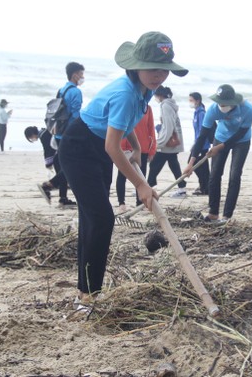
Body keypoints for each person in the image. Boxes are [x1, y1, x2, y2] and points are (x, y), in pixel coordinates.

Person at [59, 31, 188, 304]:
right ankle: (89, 295)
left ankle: (85, 290)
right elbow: (111, 146)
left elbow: (122, 125)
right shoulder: (126, 93)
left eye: (164, 70)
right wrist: (141, 184)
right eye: (152, 69)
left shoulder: (144, 89)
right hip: (80, 147)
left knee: (92, 218)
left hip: (97, 146)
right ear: (137, 65)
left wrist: (137, 147)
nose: (158, 76)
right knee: (102, 218)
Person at [182, 84, 252, 224]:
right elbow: (201, 137)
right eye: (219, 102)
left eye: (224, 103)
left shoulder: (247, 109)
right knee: (214, 174)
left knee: (234, 175)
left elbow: (241, 133)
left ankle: (227, 216)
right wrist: (191, 163)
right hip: (221, 136)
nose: (221, 105)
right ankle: (213, 213)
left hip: (241, 141)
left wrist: (221, 147)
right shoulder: (213, 110)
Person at [37, 62, 84, 207]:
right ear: (75, 74)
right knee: (73, 165)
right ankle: (48, 185)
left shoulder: (62, 90)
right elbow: (76, 115)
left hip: (58, 133)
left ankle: (63, 198)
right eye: (82, 74)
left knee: (63, 165)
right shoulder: (75, 92)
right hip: (70, 134)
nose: (83, 77)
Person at [116, 105, 156, 213]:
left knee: (142, 176)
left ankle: (140, 203)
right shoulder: (127, 104)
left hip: (143, 147)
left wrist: (152, 150)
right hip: (125, 147)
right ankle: (121, 203)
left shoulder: (147, 108)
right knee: (122, 175)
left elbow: (151, 128)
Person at [147, 86, 187, 197]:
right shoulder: (170, 104)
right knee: (173, 164)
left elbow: (169, 125)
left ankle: (149, 187)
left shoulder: (166, 106)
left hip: (168, 143)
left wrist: (160, 142)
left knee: (155, 163)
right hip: (172, 141)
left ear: (159, 95)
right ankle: (182, 187)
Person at [25, 126, 75, 206]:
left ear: (32, 134)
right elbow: (49, 149)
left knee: (64, 176)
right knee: (64, 175)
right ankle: (53, 189)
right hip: (59, 154)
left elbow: (48, 150)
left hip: (58, 156)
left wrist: (48, 163)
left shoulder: (43, 135)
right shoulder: (45, 131)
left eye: (31, 137)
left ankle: (61, 197)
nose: (32, 139)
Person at [189, 92, 210, 196]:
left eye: (191, 100)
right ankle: (205, 187)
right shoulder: (196, 112)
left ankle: (205, 186)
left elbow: (202, 131)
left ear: (198, 101)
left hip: (202, 145)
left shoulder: (202, 113)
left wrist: (197, 144)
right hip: (198, 143)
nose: (190, 103)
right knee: (203, 167)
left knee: (194, 164)